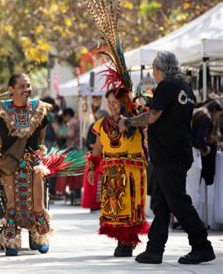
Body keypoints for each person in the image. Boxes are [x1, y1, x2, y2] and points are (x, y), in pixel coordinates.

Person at [120, 50, 215, 264]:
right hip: (175, 153)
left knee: (178, 203)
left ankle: (202, 246)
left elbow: (153, 116)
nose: (153, 72)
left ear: (160, 69)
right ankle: (154, 249)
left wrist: (127, 122)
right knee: (161, 204)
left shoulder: (166, 86)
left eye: (153, 68)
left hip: (169, 155)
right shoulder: (185, 87)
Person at [0, 73, 52, 256]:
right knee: (12, 204)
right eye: (22, 86)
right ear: (11, 90)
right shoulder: (1, 111)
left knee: (38, 205)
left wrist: (33, 153)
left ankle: (41, 236)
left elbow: (41, 137)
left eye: (28, 85)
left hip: (33, 162)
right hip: (10, 163)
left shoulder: (38, 109)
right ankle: (11, 241)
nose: (26, 89)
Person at [88, 89, 148, 257]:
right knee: (115, 208)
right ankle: (121, 240)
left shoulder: (135, 120)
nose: (112, 106)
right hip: (111, 171)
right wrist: (92, 168)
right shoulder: (101, 124)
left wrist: (132, 112)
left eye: (116, 102)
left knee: (131, 206)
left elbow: (148, 119)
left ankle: (128, 241)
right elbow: (98, 147)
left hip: (131, 170)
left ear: (123, 102)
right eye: (110, 102)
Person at [82, 109, 108, 212]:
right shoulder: (94, 126)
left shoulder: (105, 126)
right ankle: (94, 204)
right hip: (95, 156)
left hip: (101, 156)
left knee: (99, 182)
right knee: (94, 183)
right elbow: (90, 143)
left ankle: (100, 204)